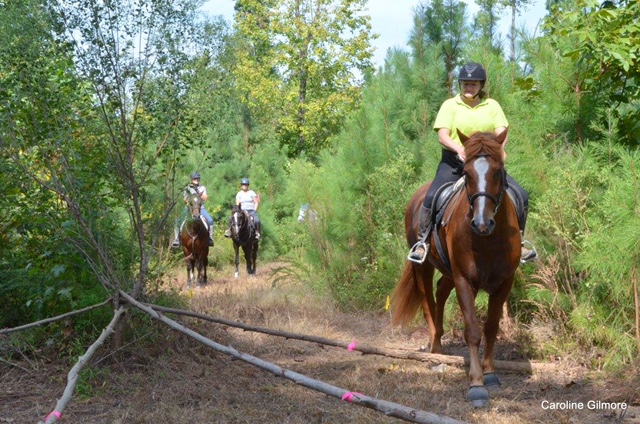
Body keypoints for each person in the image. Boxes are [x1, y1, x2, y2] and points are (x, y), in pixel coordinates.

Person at [408, 62, 537, 264]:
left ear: (481, 85)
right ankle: (422, 242)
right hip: (455, 163)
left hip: (486, 166)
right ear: (460, 85)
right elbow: (443, 135)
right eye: (466, 83)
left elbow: (501, 132)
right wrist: (460, 149)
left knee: (521, 194)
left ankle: (519, 242)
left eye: (474, 84)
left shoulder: (492, 106)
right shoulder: (450, 105)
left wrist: (500, 150)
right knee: (431, 196)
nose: (469, 87)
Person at [172, 172, 214, 248]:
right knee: (177, 222)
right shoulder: (187, 188)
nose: (196, 180)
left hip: (200, 208)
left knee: (210, 221)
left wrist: (198, 192)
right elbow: (185, 199)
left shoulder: (202, 188)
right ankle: (177, 239)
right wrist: (191, 198)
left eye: (197, 178)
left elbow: (205, 198)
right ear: (191, 179)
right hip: (189, 208)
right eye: (195, 179)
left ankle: (210, 238)